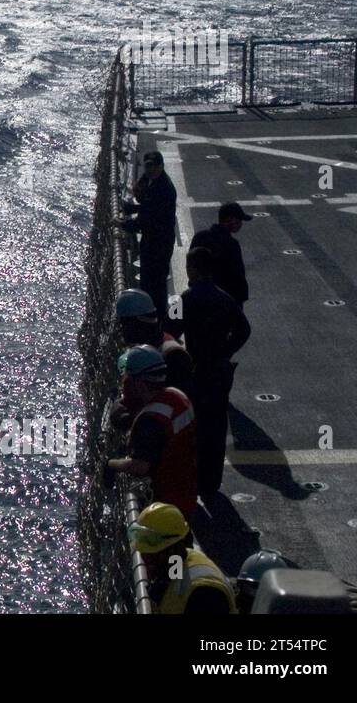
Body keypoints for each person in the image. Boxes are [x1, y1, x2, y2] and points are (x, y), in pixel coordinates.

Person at [168, 247, 251, 497]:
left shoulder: (185, 299)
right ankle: (212, 482)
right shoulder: (225, 298)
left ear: (192, 269)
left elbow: (168, 330)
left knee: (194, 426)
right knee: (217, 426)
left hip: (196, 369)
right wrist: (226, 352)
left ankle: (195, 477)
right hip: (220, 370)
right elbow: (244, 330)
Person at [107, 346, 198, 519]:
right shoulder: (176, 395)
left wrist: (111, 465)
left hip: (166, 502)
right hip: (187, 488)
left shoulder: (150, 421)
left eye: (128, 377)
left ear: (139, 383)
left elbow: (140, 466)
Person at [128, 503, 237, 614]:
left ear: (173, 547)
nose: (145, 559)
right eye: (144, 553)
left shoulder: (204, 596)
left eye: (152, 554)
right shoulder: (176, 562)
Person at [117, 151, 177, 328]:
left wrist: (123, 224)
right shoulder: (152, 181)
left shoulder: (163, 189)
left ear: (161, 166)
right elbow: (146, 205)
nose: (150, 170)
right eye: (147, 166)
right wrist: (133, 209)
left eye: (153, 166)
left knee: (155, 283)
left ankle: (157, 322)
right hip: (152, 240)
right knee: (149, 281)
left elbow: (147, 217)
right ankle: (153, 319)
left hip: (159, 242)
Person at [191, 201, 252, 307]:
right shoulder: (231, 245)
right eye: (238, 220)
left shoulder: (199, 237)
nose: (240, 224)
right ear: (229, 220)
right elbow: (238, 278)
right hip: (225, 301)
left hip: (199, 296)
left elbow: (191, 266)